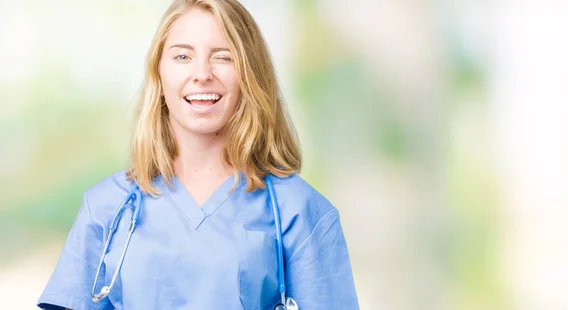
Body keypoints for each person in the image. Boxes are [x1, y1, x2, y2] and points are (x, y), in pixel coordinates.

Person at [37, 0, 359, 309]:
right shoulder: (107, 208)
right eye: (182, 57)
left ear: (250, 74)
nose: (202, 73)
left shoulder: (300, 213)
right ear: (159, 74)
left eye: (223, 57)